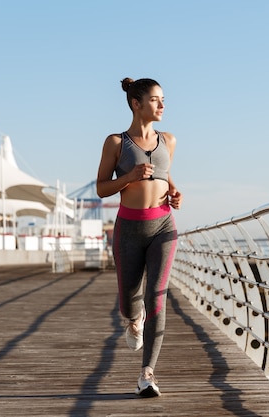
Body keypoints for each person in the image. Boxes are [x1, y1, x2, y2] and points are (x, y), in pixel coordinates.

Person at [96, 77, 182, 397]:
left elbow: (166, 173)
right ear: (136, 103)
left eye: (163, 99)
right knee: (129, 301)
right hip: (128, 229)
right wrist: (129, 177)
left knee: (156, 298)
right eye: (156, 99)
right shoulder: (116, 143)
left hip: (163, 227)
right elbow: (102, 187)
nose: (162, 105)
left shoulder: (168, 140)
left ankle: (147, 373)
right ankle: (134, 320)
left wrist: (174, 192)